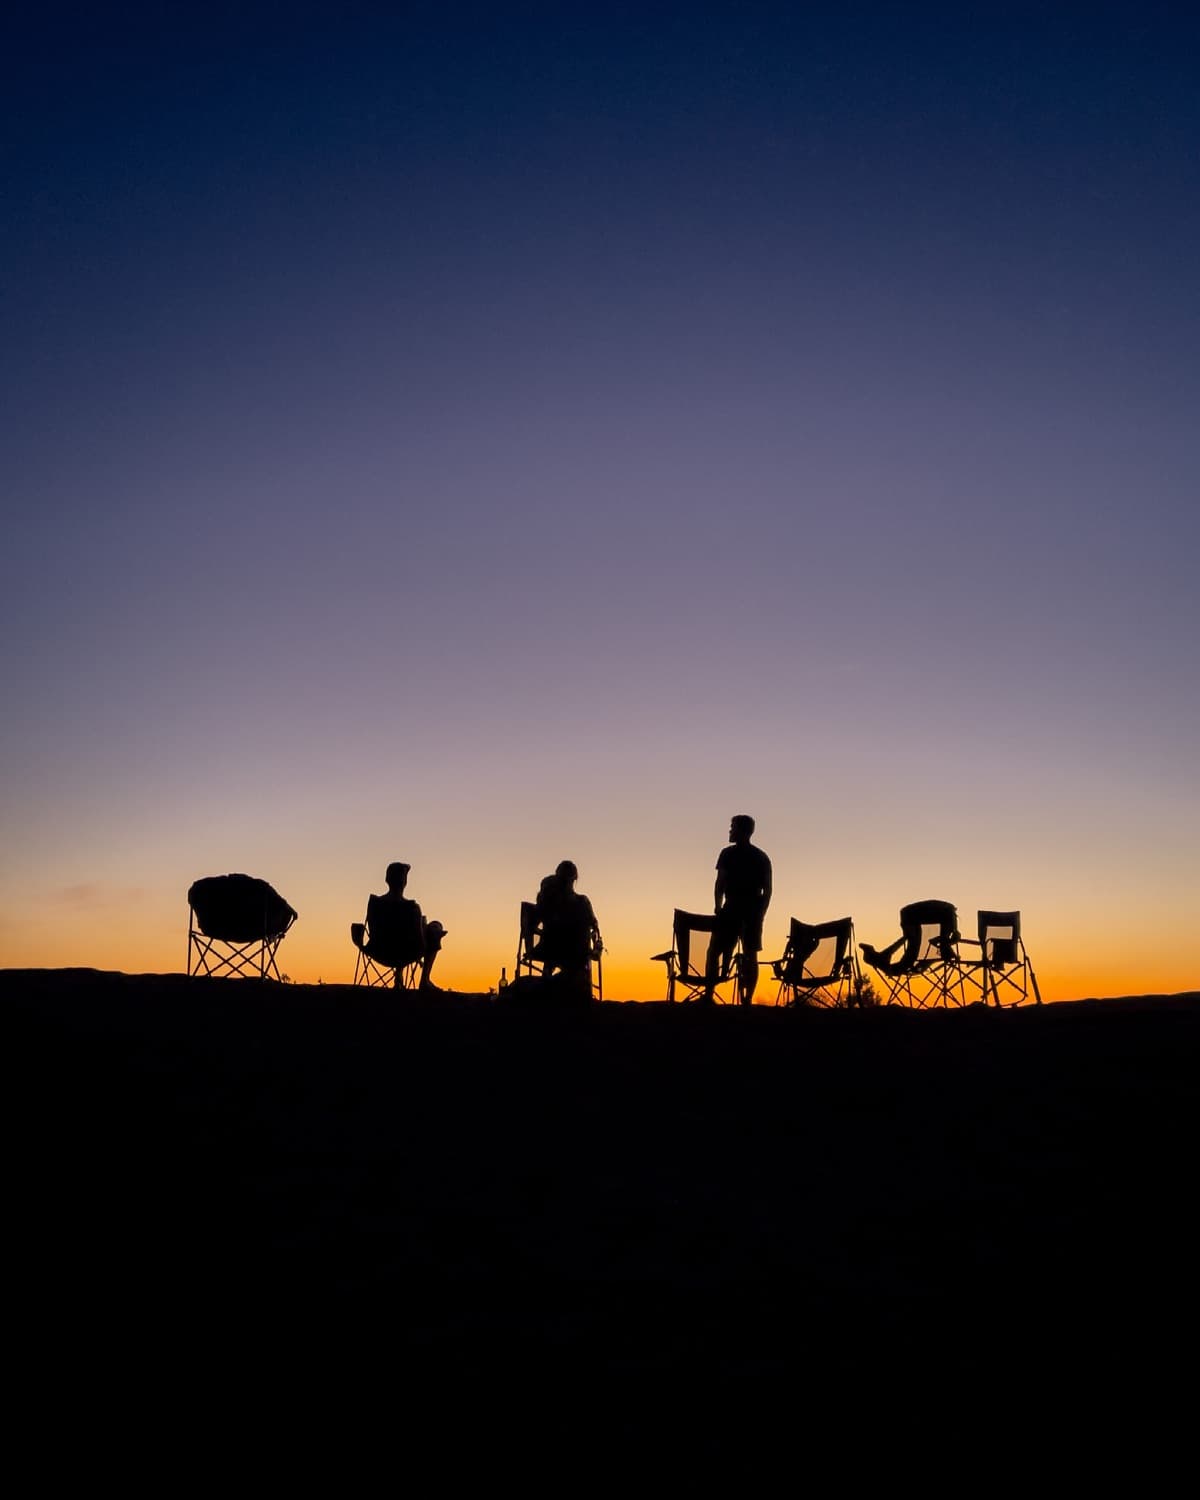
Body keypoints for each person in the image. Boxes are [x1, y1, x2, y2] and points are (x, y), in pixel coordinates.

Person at [704, 814, 772, 1006]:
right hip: (753, 911)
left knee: (714, 951)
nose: (730, 831)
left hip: (732, 908)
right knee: (751, 955)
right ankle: (748, 999)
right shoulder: (762, 857)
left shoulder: (727, 854)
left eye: (732, 827)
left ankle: (709, 994)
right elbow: (768, 890)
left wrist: (718, 906)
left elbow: (720, 884)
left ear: (742, 831)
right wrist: (762, 912)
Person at [351, 861, 446, 991]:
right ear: (405, 882)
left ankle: (399, 977)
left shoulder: (375, 904)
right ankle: (424, 981)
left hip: (379, 952)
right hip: (406, 953)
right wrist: (427, 930)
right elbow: (419, 942)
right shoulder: (412, 908)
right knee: (435, 927)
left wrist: (359, 943)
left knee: (398, 935)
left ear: (386, 880)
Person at [535, 860, 602, 1001]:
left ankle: (549, 980)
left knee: (551, 948)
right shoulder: (583, 901)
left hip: (555, 951)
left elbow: (537, 923)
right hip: (579, 954)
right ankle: (575, 983)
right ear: (575, 879)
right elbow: (594, 926)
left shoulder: (550, 902)